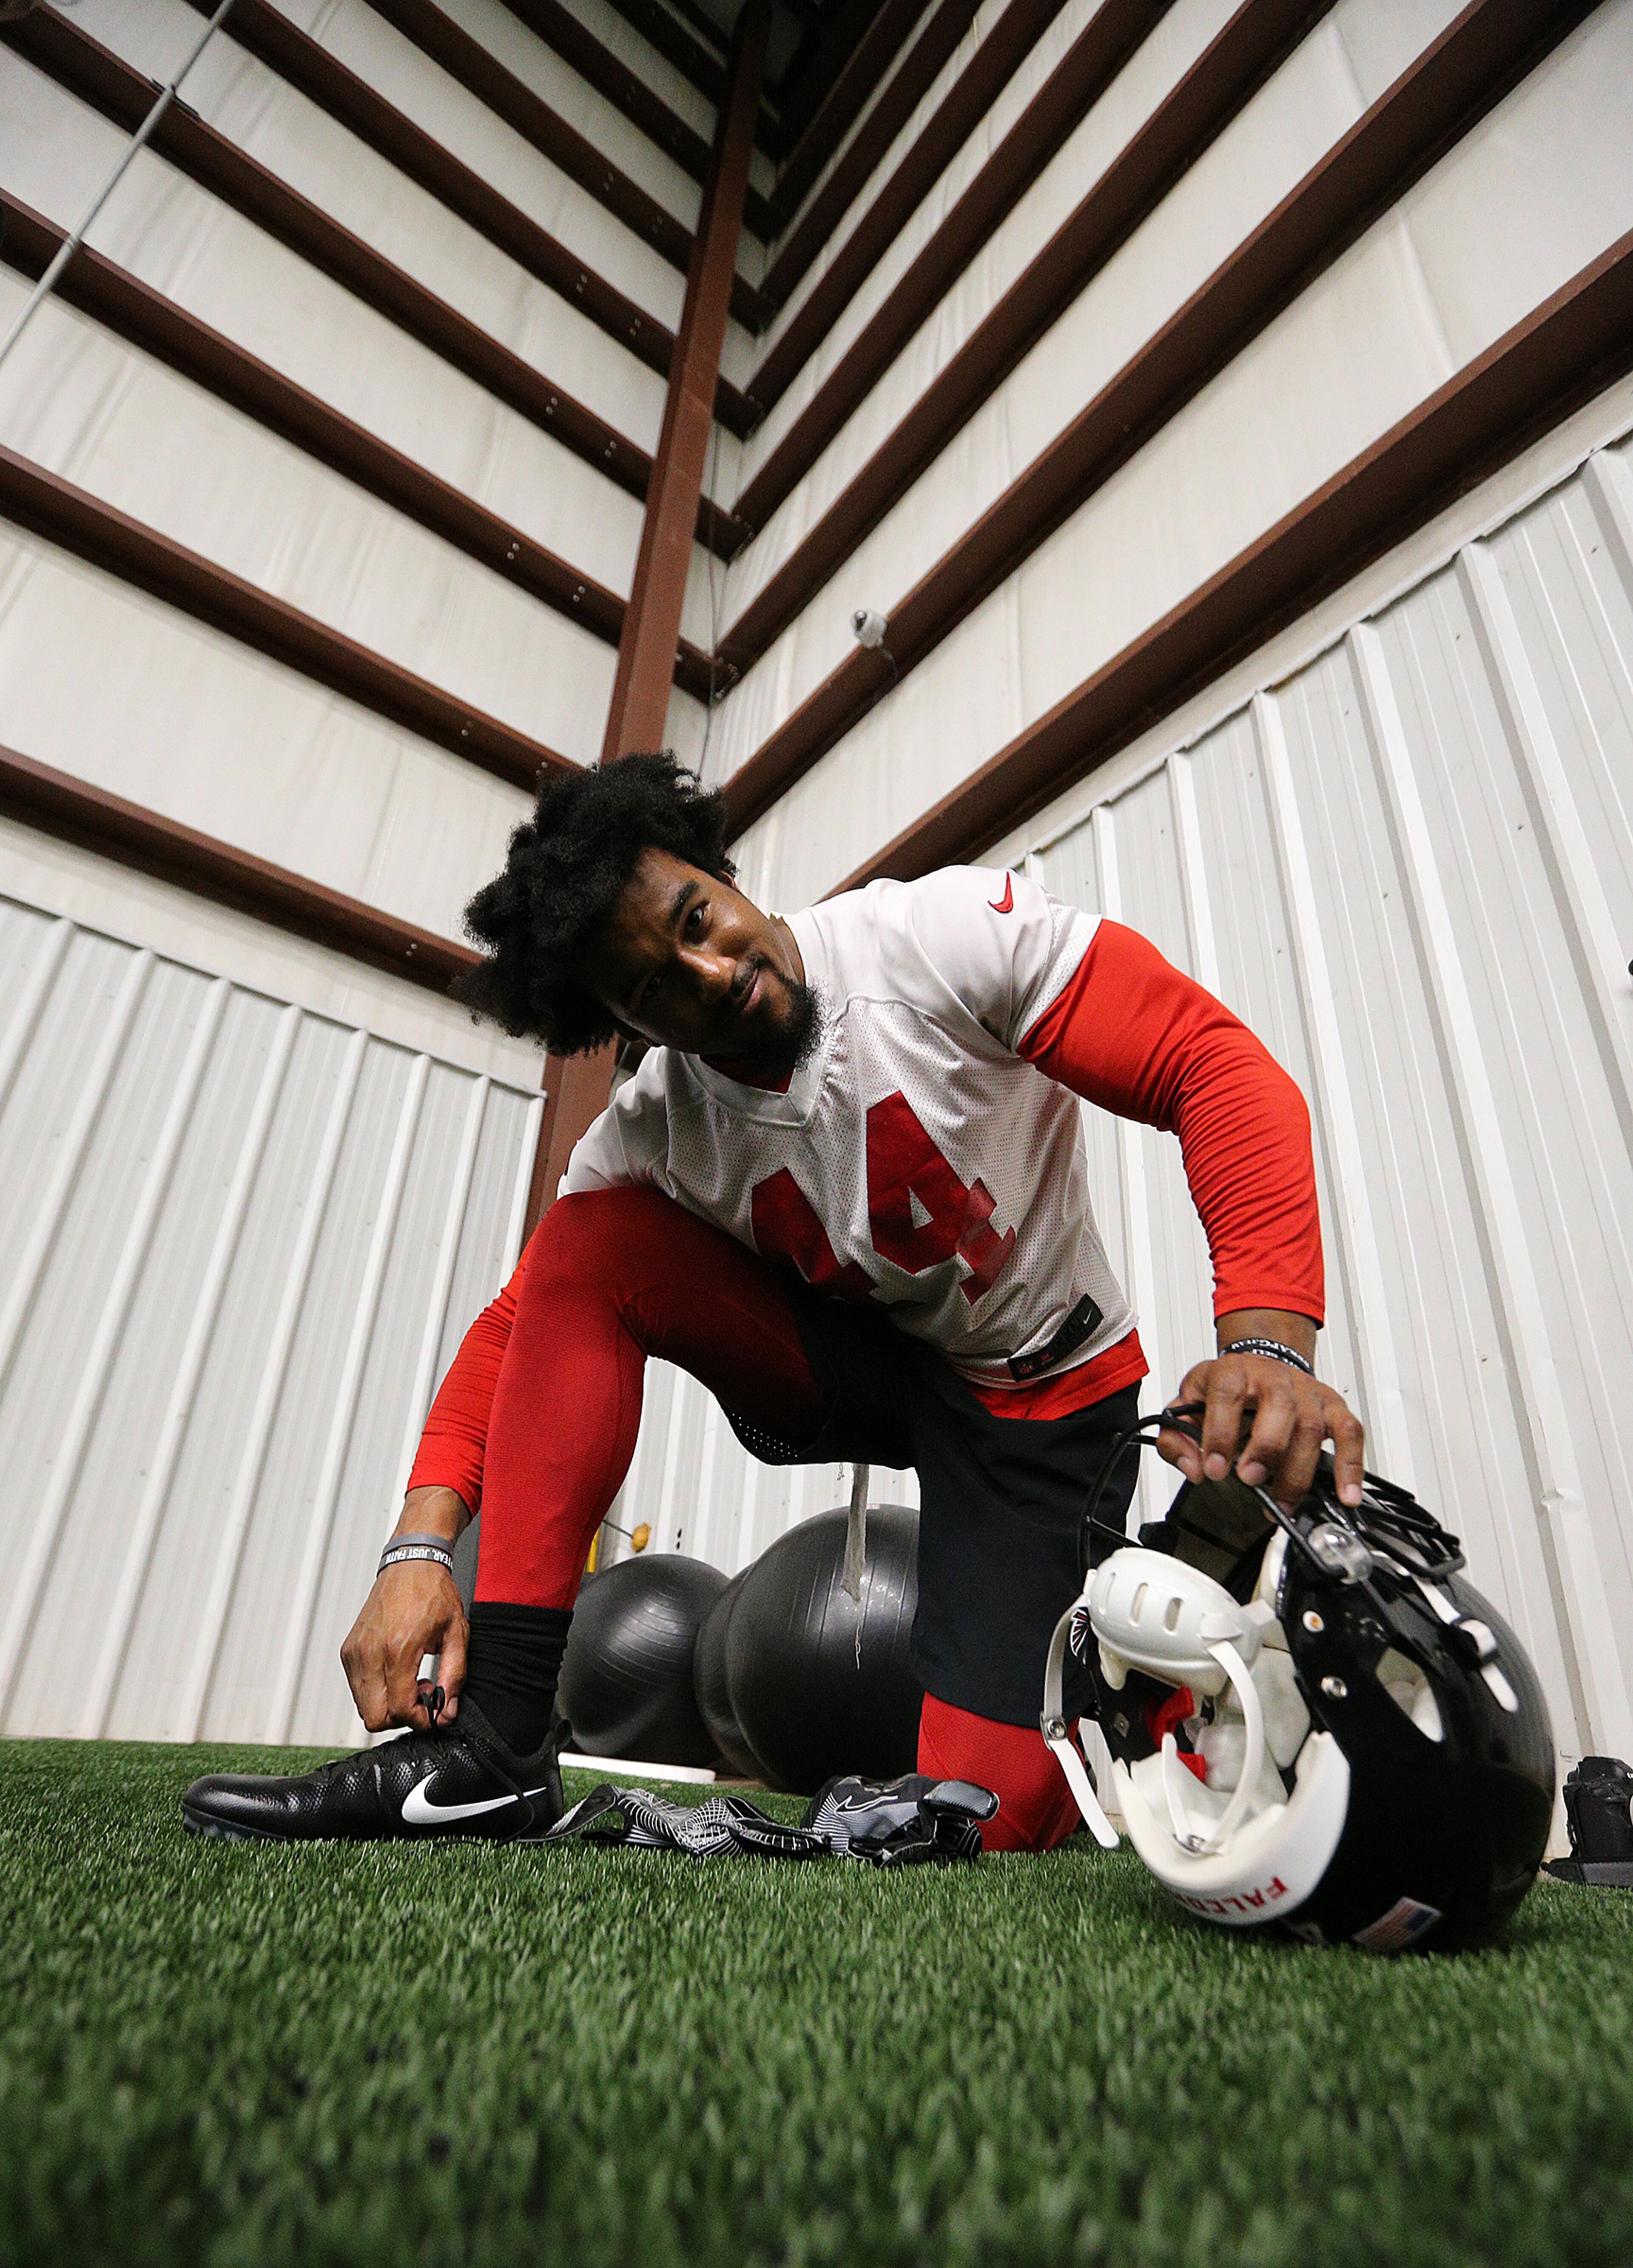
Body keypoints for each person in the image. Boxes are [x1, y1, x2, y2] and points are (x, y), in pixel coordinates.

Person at [182, 754, 1363, 1849]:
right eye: (656, 989)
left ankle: (1141, 1695)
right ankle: (494, 1747)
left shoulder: (935, 940)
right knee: (582, 1250)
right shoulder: (654, 1131)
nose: (711, 975)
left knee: (980, 1828)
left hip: (1042, 1406)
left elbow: (1209, 1064)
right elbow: (518, 1325)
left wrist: (1268, 1339)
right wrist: (417, 1547)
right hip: (869, 1370)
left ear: (723, 875)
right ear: (632, 1029)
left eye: (698, 920)